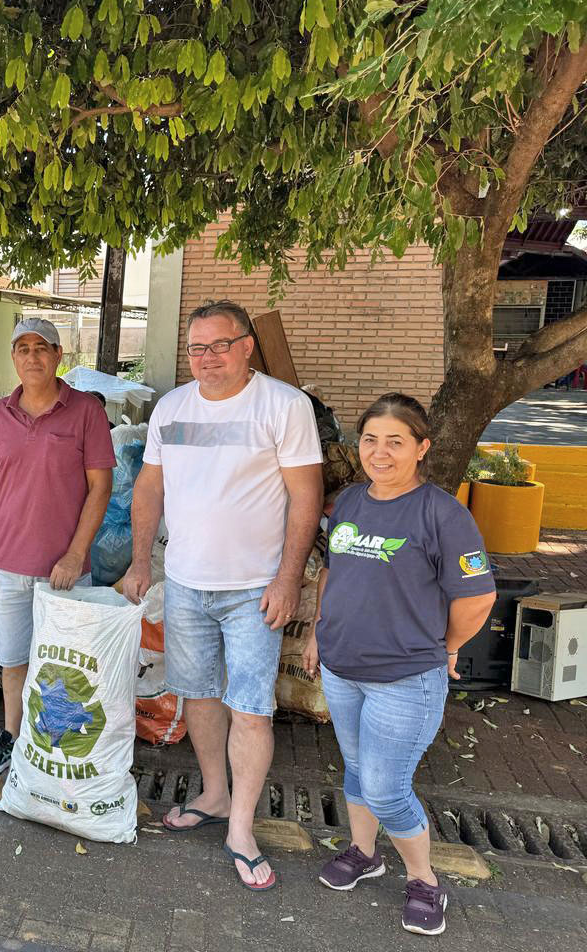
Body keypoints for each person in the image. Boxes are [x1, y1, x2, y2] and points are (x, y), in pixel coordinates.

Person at [122, 299, 323, 891]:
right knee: (199, 696)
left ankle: (241, 828)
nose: (206, 359)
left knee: (252, 709)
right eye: (196, 348)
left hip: (255, 589)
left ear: (246, 346)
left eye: (218, 345)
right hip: (184, 583)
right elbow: (148, 488)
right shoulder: (171, 408)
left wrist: (288, 579)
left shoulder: (284, 406)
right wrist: (140, 562)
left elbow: (306, 498)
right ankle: (213, 794)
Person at [301, 393, 496, 936]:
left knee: (388, 787)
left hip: (405, 678)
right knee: (359, 770)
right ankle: (365, 853)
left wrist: (446, 645)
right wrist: (319, 631)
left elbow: (478, 598)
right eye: (370, 440)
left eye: (395, 442)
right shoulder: (350, 503)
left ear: (421, 447)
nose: (380, 452)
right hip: (343, 667)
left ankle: (424, 880)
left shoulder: (443, 513)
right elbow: (332, 572)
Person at [0, 319, 115, 774]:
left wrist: (74, 554)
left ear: (58, 356)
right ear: (13, 357)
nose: (32, 357)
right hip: (8, 565)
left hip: (64, 571)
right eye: (22, 348)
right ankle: (12, 736)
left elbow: (101, 486)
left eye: (42, 348)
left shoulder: (86, 410)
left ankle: (54, 749)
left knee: (62, 667)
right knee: (13, 660)